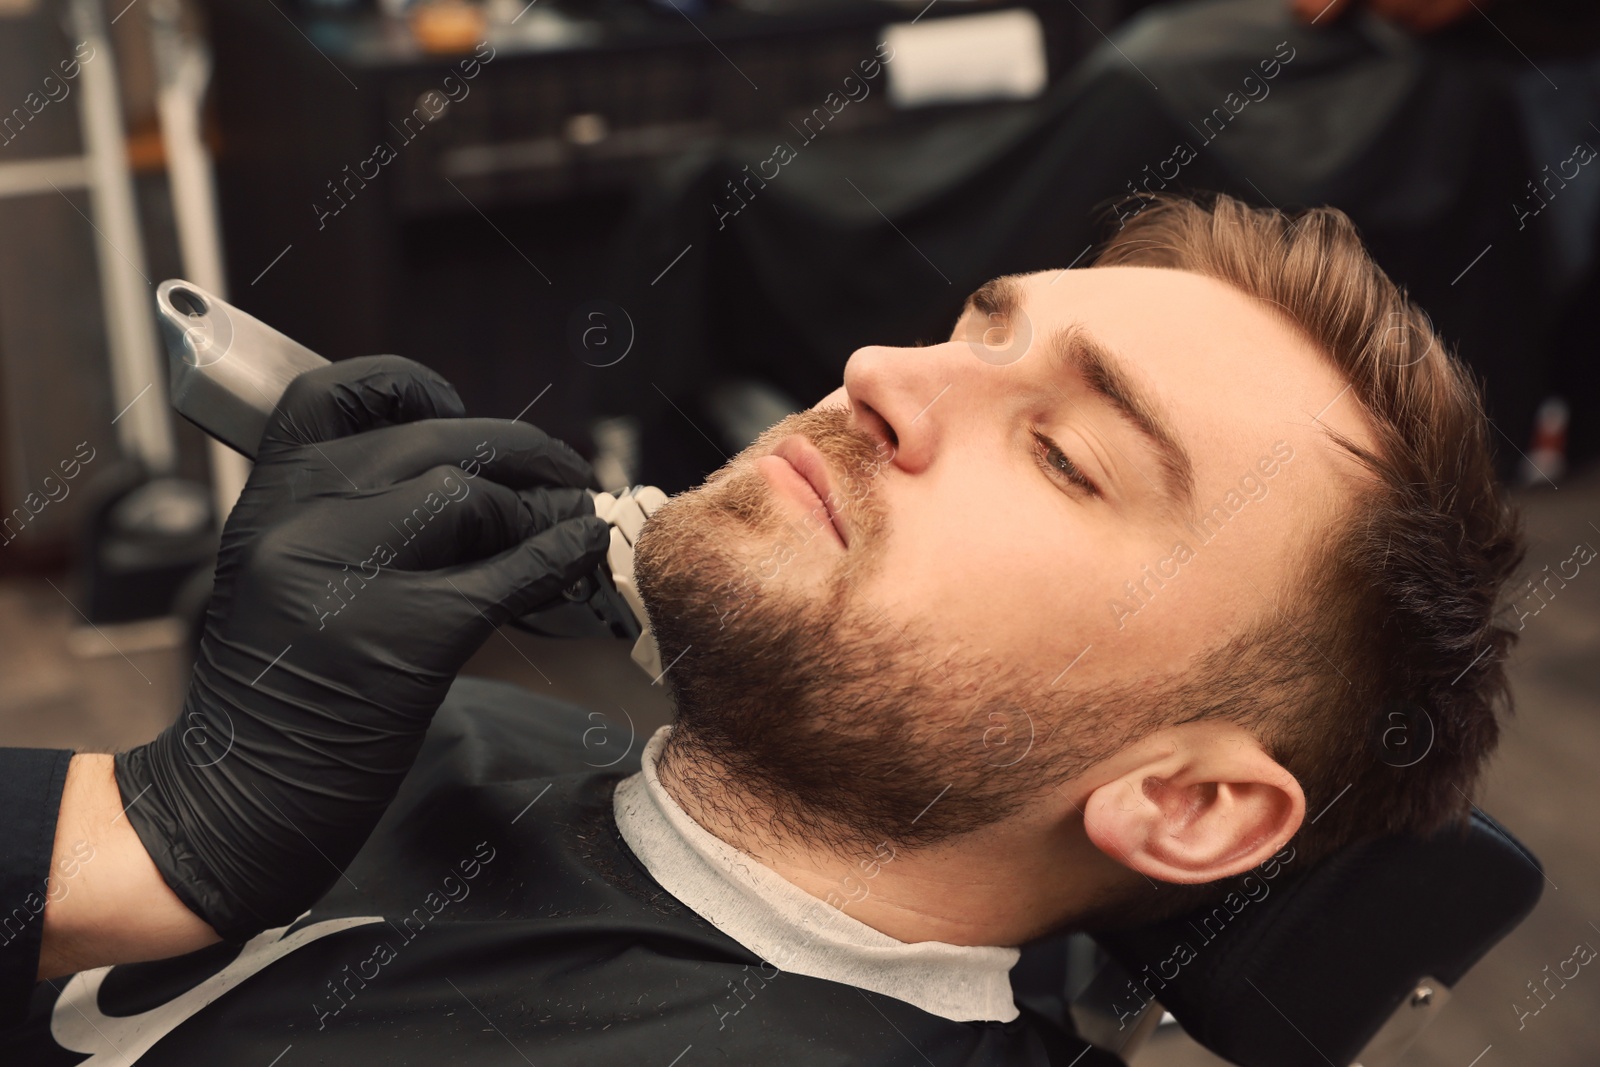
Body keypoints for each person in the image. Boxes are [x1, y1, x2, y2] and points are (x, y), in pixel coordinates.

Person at [3, 193, 1523, 1064]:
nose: (880, 373)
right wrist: (130, 845)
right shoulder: (443, 738)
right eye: (970, 333)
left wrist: (123, 855)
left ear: (1187, 804)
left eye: (1065, 454)